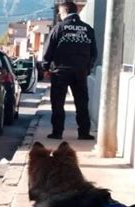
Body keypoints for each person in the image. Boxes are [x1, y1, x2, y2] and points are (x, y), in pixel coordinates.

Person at [42, 1, 97, 140]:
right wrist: (87, 68)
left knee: (58, 103)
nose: (59, 15)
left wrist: (45, 67)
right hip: (80, 72)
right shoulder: (88, 29)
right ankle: (84, 133)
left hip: (60, 71)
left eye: (60, 13)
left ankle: (57, 132)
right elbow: (94, 52)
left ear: (64, 12)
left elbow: (48, 49)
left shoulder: (59, 28)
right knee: (82, 103)